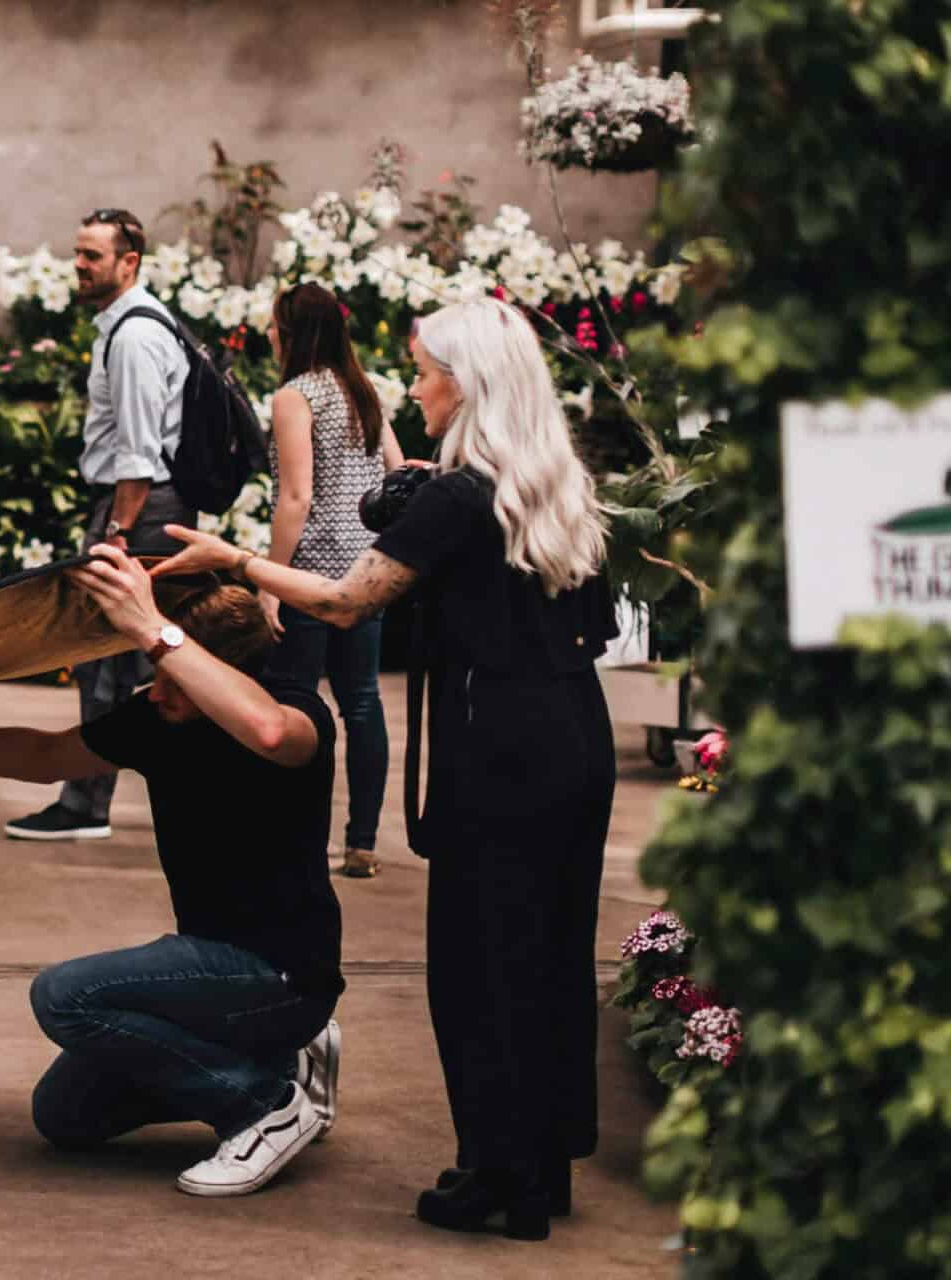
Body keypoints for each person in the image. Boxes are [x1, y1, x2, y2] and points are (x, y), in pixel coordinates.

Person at [152, 298, 616, 1240]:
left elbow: (343, 600)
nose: (413, 385)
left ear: (468, 381)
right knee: (553, 952)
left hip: (500, 746)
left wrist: (235, 559)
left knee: (480, 962)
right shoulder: (554, 483)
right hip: (575, 732)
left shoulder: (455, 495)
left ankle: (496, 1175)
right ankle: (541, 1164)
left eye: (425, 369)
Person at [0, 555, 344, 1198]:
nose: (158, 690)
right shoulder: (156, 717)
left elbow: (270, 734)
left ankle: (263, 1103)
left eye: (175, 679)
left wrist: (153, 626)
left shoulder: (296, 712)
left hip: (282, 972)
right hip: (214, 970)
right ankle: (283, 1059)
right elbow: (45, 757)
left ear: (218, 671)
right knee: (66, 1116)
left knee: (66, 996)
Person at [7, 208, 193, 842]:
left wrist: (116, 533)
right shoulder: (125, 326)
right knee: (120, 663)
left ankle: (87, 803)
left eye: (92, 255)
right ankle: (91, 798)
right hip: (138, 507)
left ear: (129, 261)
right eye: (78, 253)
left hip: (138, 510)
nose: (79, 265)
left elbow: (139, 452)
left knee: (110, 663)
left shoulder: (136, 336)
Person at [261, 282, 411, 879]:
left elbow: (296, 498)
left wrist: (269, 580)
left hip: (311, 574)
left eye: (274, 325)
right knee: (362, 702)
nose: (268, 334)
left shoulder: (295, 396)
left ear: (293, 332)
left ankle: (296, 840)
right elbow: (400, 472)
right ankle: (362, 842)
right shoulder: (361, 389)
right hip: (366, 570)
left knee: (295, 704)